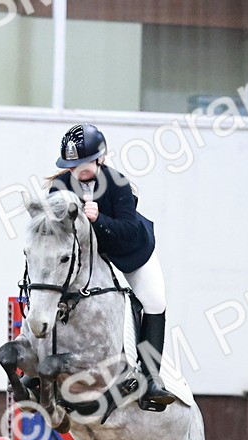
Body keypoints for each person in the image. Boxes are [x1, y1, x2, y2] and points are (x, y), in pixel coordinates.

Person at [46, 123, 178, 410]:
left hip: (130, 251)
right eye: (72, 164)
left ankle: (151, 378)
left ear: (99, 158)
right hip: (89, 258)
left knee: (155, 301)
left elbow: (130, 229)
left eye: (83, 163)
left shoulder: (116, 183)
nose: (78, 169)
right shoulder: (59, 187)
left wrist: (98, 219)